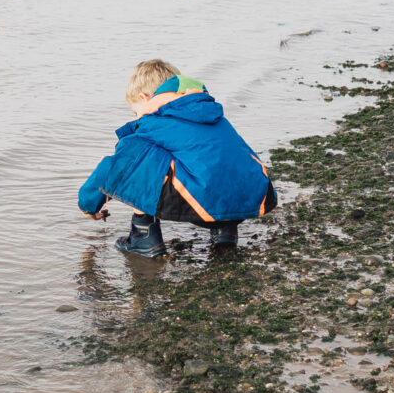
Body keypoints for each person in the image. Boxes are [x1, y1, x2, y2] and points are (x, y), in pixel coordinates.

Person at [77, 59, 277, 256]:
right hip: (254, 197)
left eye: (135, 111)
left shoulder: (152, 122)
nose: (137, 116)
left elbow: (114, 168)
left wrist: (88, 205)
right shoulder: (211, 113)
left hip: (207, 203)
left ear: (144, 98)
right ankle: (225, 230)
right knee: (210, 156)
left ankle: (144, 235)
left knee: (135, 155)